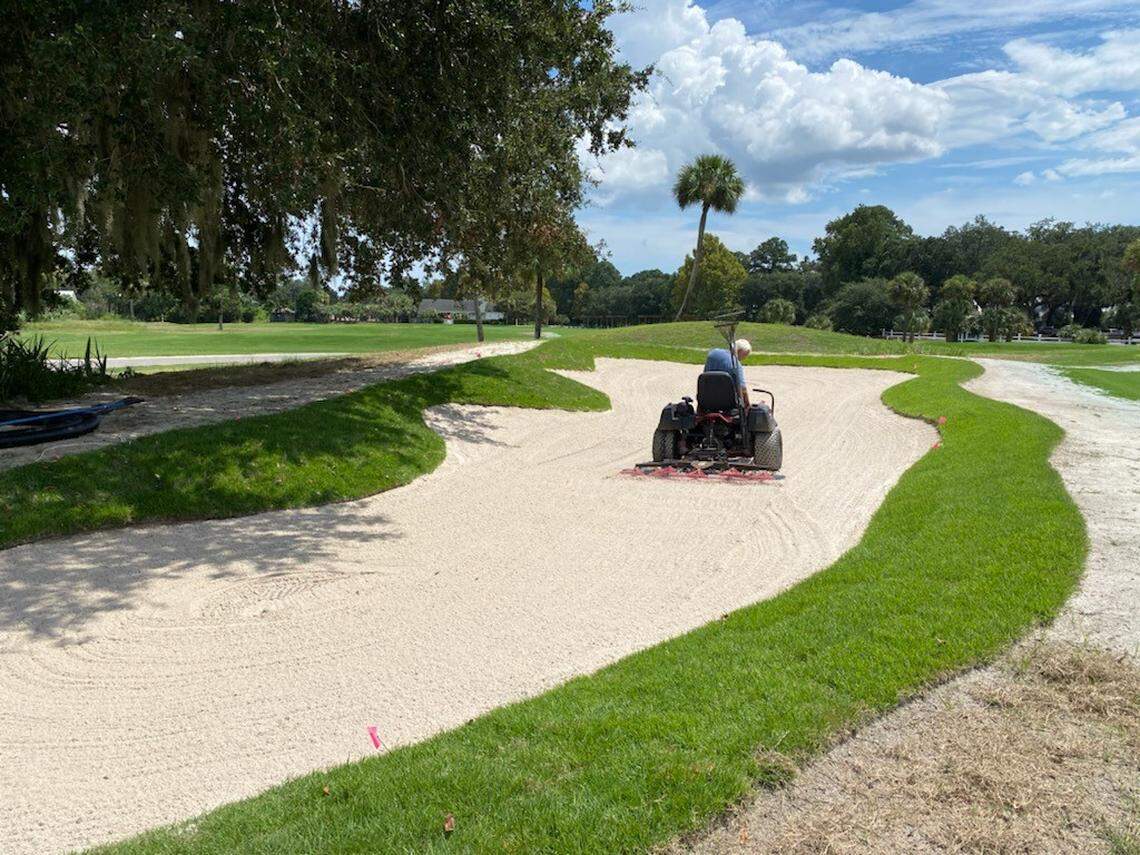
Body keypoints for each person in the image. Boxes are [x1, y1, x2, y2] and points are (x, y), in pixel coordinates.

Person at [703, 338, 752, 408]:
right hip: (727, 403)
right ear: (740, 351)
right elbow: (742, 389)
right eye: (745, 355)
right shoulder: (736, 365)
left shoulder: (712, 354)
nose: (743, 359)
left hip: (706, 399)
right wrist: (747, 406)